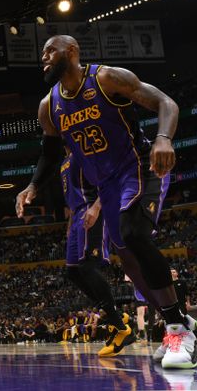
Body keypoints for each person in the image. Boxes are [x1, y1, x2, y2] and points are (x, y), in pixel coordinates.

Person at [15, 35, 197, 369]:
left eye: (49, 51)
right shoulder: (49, 105)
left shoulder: (106, 78)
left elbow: (166, 103)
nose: (43, 58)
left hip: (141, 166)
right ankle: (181, 321)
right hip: (109, 184)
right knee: (129, 258)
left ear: (71, 52)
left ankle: (178, 330)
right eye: (41, 54)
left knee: (132, 234)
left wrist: (163, 138)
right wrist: (31, 186)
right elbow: (50, 153)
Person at [60, 148, 133, 356]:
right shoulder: (64, 161)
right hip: (76, 217)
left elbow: (109, 179)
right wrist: (70, 223)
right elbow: (71, 197)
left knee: (87, 267)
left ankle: (119, 327)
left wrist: (98, 207)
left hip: (92, 209)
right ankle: (115, 317)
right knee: (72, 272)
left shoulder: (85, 150)